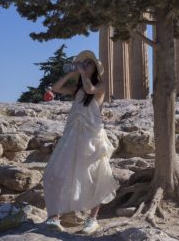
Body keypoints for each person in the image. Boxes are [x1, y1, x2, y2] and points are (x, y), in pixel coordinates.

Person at [43, 50, 118, 234]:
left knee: (96, 174)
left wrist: (84, 75)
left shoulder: (101, 84)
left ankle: (92, 219)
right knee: (58, 170)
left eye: (88, 63)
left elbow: (90, 90)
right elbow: (57, 87)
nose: (85, 65)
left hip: (92, 136)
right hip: (72, 135)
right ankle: (54, 217)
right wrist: (72, 72)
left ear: (95, 68)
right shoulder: (77, 88)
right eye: (83, 62)